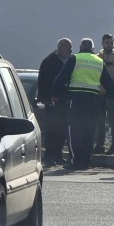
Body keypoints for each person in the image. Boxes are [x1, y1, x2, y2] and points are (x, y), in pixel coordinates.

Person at [52, 38, 114, 170]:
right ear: (92, 49)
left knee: (74, 131)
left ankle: (76, 161)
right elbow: (110, 84)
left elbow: (61, 77)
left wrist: (55, 94)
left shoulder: (74, 58)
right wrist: (109, 97)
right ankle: (86, 162)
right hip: (93, 101)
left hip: (76, 99)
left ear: (80, 47)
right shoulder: (99, 61)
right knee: (89, 131)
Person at [37, 38, 72, 167]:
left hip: (65, 102)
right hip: (51, 102)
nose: (70, 50)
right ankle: (49, 156)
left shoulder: (70, 60)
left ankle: (58, 155)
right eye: (68, 47)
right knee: (52, 131)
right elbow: (42, 82)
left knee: (62, 130)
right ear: (61, 48)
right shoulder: (49, 62)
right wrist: (46, 98)